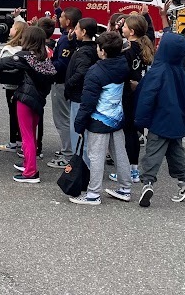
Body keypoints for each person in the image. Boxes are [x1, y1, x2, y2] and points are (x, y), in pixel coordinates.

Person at [134, 32, 185, 207]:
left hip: (159, 121)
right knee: (176, 153)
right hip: (178, 123)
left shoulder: (157, 72)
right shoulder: (183, 74)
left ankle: (148, 183)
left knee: (153, 152)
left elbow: (146, 97)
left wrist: (139, 120)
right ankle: (184, 181)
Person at [69, 31, 131, 206]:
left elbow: (87, 102)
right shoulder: (123, 64)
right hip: (117, 117)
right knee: (120, 154)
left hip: (98, 120)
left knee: (96, 156)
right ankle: (125, 188)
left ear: (102, 50)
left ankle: (93, 194)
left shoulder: (95, 72)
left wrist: (79, 123)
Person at [0, 26, 57, 184]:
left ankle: (31, 172)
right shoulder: (44, 57)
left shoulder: (24, 57)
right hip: (38, 99)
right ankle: (28, 163)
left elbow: (1, 65)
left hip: (25, 99)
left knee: (26, 136)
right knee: (31, 134)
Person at [117, 14, 155, 183]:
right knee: (135, 132)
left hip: (129, 95)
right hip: (142, 94)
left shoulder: (127, 50)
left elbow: (123, 73)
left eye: (124, 27)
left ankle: (129, 171)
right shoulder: (145, 46)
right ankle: (133, 169)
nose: (122, 28)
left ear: (131, 32)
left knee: (128, 133)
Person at [46, 0, 82, 170]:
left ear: (68, 22)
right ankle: (68, 150)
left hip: (60, 83)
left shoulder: (67, 41)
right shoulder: (70, 35)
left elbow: (62, 63)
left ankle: (68, 154)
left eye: (61, 17)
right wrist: (58, 8)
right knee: (66, 118)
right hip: (64, 83)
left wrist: (45, 66)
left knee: (62, 120)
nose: (58, 19)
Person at [64, 17, 99, 164]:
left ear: (84, 32)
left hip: (79, 95)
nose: (75, 30)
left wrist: (69, 84)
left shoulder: (84, 52)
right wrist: (73, 41)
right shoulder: (93, 47)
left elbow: (81, 71)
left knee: (77, 132)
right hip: (86, 94)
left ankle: (80, 165)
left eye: (77, 28)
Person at [0, 19, 26, 153]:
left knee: (13, 114)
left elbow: (4, 65)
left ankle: (13, 142)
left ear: (17, 31)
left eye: (13, 26)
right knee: (20, 114)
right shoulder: (24, 48)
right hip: (22, 85)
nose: (10, 28)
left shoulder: (10, 49)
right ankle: (20, 139)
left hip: (11, 86)